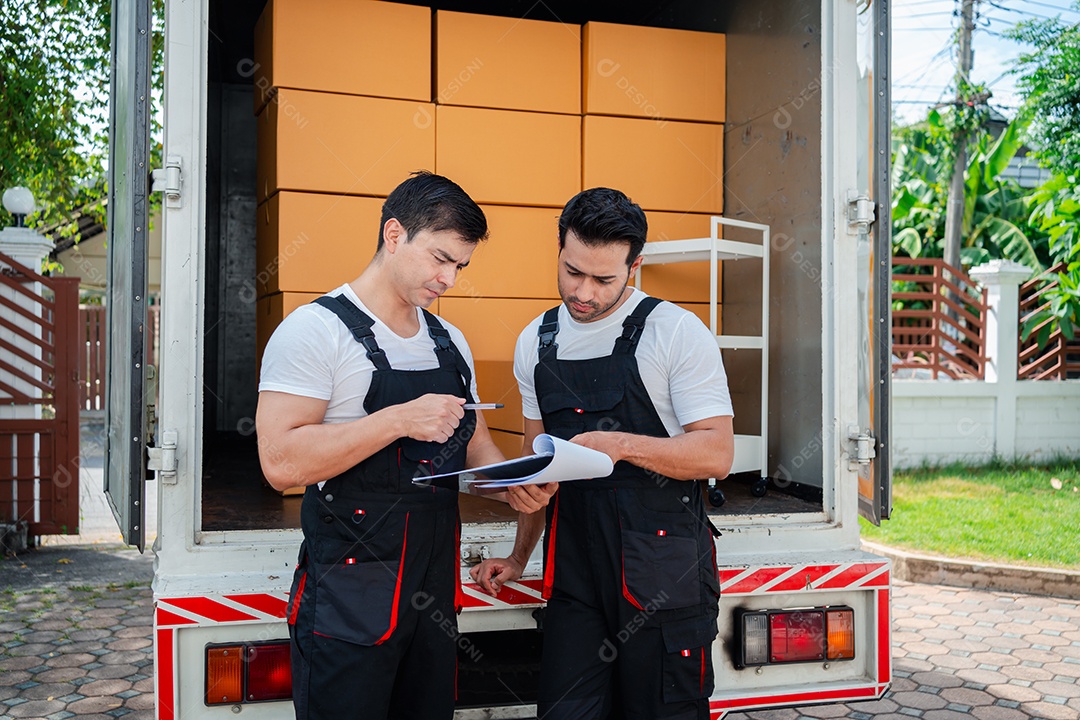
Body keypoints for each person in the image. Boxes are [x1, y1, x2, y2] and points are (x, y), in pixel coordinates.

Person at [470, 187, 735, 720]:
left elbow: (716, 452)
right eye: (572, 271)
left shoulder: (676, 332)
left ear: (634, 267)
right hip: (577, 576)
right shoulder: (536, 341)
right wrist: (521, 555)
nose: (583, 292)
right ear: (560, 251)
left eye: (604, 279)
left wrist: (617, 446)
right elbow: (535, 459)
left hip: (662, 575)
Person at [256, 172, 507, 720]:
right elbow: (279, 463)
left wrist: (514, 485)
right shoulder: (314, 331)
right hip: (351, 597)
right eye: (440, 259)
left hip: (433, 597)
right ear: (394, 235)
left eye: (460, 266)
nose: (450, 279)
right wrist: (396, 420)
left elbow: (476, 446)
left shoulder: (450, 341)